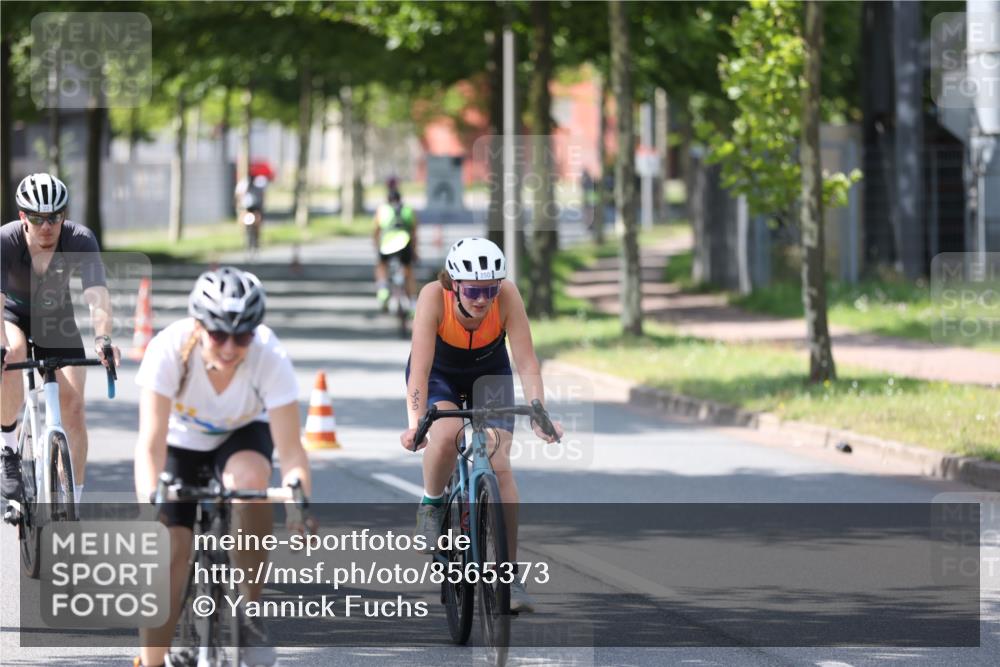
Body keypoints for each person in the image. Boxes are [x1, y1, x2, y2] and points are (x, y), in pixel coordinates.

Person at [133, 267, 312, 667]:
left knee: (250, 484)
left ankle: (248, 612)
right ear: (198, 327)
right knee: (170, 549)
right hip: (179, 442)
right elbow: (150, 444)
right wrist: (151, 504)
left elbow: (291, 452)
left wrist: (297, 504)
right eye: (218, 335)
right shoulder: (167, 349)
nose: (230, 348)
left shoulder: (270, 356)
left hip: (242, 434)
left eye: (243, 336)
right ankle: (152, 659)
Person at [400, 237, 563, 613]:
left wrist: (539, 413)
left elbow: (526, 361)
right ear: (454, 284)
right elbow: (420, 369)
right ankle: (432, 503)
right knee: (445, 437)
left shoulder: (507, 296)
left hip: (489, 375)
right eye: (473, 290)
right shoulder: (432, 297)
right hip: (439, 375)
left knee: (499, 462)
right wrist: (415, 425)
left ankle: (509, 574)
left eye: (490, 289)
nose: (482, 299)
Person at [1, 173, 120, 508]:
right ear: (23, 216)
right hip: (12, 314)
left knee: (74, 408)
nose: (46, 226)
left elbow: (97, 295)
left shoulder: (80, 239)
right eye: (37, 218)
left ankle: (72, 505)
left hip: (56, 318)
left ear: (64, 215)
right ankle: (8, 449)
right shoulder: (6, 240)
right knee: (13, 351)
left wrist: (103, 338)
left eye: (54, 217)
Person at [373, 189, 418, 312]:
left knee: (381, 265)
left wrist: (376, 245)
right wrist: (415, 250)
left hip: (386, 244)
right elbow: (414, 232)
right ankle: (413, 303)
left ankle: (383, 289)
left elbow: (376, 230)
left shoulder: (382, 210)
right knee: (408, 272)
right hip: (404, 243)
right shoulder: (408, 210)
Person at [235, 174, 268, 258]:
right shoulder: (243, 185)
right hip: (247, 210)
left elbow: (262, 198)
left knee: (257, 228)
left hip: (256, 209)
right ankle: (248, 246)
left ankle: (256, 245)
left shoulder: (259, 183)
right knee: (247, 228)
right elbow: (239, 198)